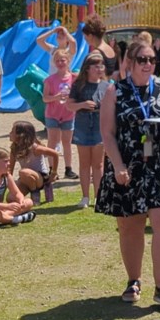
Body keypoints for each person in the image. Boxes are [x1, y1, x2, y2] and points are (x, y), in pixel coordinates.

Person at [95, 40, 160, 307]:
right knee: (130, 225)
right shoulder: (115, 91)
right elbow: (107, 133)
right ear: (129, 62)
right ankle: (133, 280)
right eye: (142, 59)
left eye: (152, 59)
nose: (148, 64)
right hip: (128, 164)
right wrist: (117, 165)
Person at [67, 52, 111, 209]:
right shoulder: (78, 85)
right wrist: (82, 105)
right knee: (84, 163)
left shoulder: (107, 86)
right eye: (96, 66)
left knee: (99, 164)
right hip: (83, 126)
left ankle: (99, 197)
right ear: (87, 68)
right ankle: (85, 197)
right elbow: (69, 105)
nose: (100, 69)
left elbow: (113, 107)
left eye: (102, 66)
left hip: (100, 127)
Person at [42, 49, 76, 180]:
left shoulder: (74, 78)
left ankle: (68, 169)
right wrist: (55, 97)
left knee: (67, 142)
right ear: (54, 63)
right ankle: (52, 169)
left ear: (68, 61)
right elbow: (45, 98)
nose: (60, 63)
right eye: (58, 61)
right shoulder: (49, 80)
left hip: (68, 113)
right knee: (53, 141)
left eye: (63, 60)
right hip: (52, 114)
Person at [9, 120, 60, 205]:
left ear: (20, 135)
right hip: (25, 177)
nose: (10, 133)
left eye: (12, 131)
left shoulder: (35, 148)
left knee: (23, 171)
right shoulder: (14, 149)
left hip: (40, 177)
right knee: (10, 198)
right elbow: (10, 169)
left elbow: (55, 154)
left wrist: (53, 173)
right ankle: (30, 189)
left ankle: (36, 192)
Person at [81, 15, 117, 79]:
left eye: (85, 36)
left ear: (90, 36)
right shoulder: (110, 49)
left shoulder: (96, 54)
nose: (84, 39)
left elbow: (86, 75)